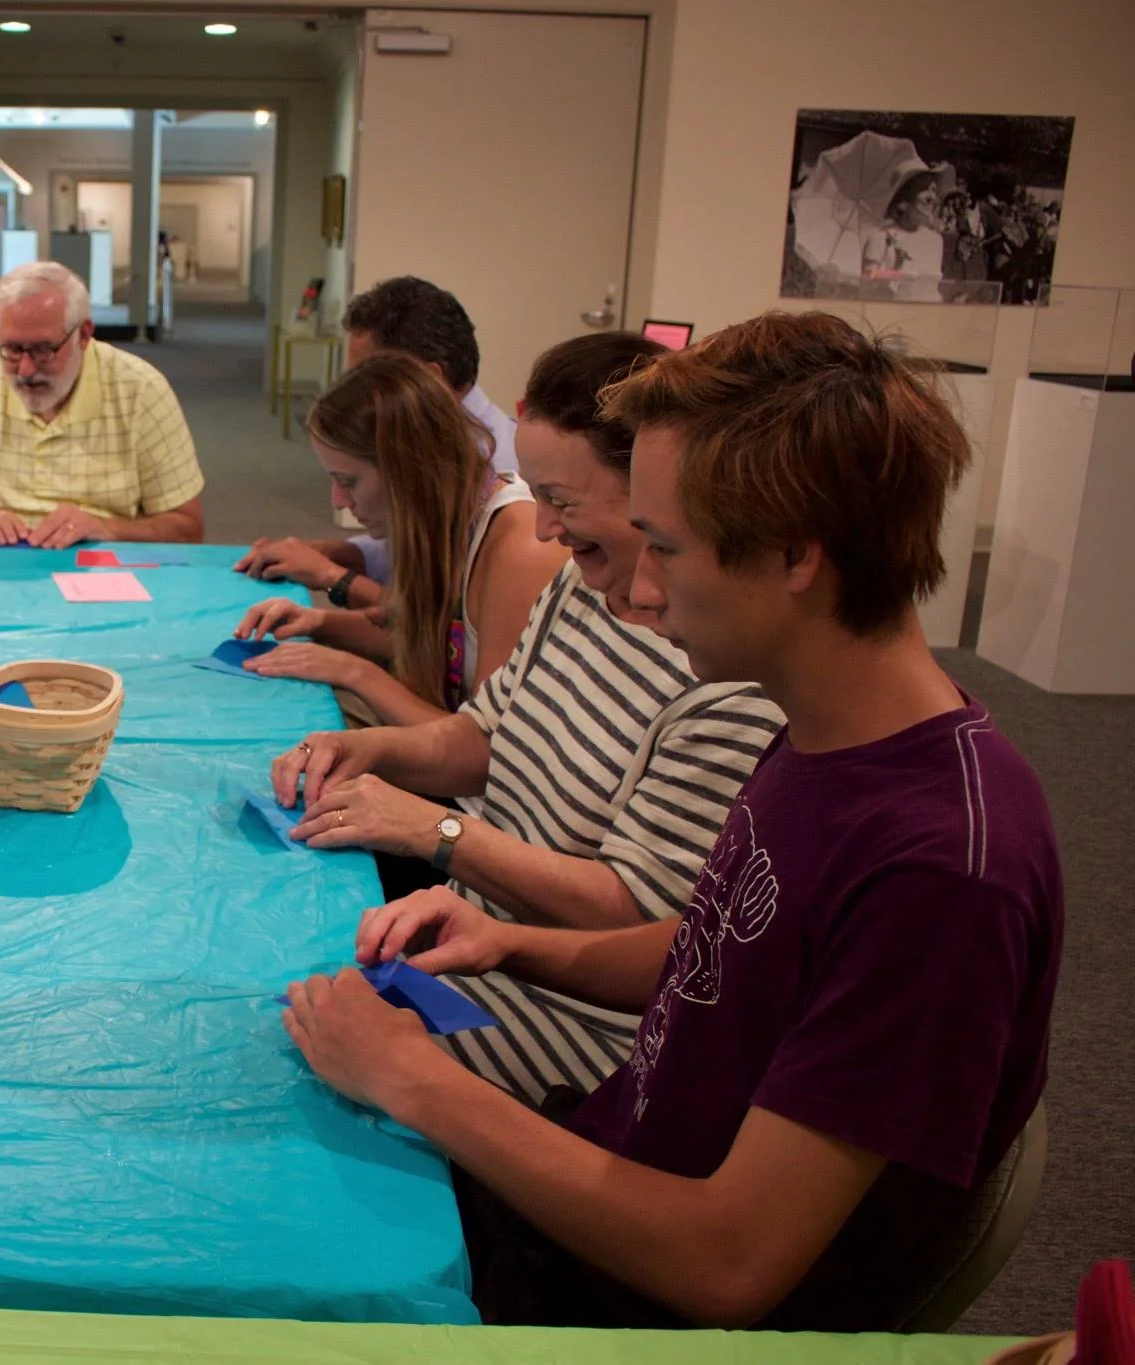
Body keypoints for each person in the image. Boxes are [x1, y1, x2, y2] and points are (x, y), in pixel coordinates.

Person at [283, 312, 1062, 1330]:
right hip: (603, 1162)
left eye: (663, 547)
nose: (636, 590)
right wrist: (512, 947)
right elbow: (725, 953)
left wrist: (414, 1082)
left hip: (635, 1299)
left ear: (793, 554)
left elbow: (724, 1268)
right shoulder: (826, 732)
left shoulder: (938, 873)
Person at [271, 333, 782, 1102]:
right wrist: (362, 747)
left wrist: (434, 831)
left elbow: (635, 912)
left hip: (564, 1010)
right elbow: (482, 734)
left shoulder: (724, 671)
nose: (542, 529)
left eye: (562, 501)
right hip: (476, 943)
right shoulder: (580, 584)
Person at [231, 352, 564, 726]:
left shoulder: (518, 549)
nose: (338, 501)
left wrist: (354, 672)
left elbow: (485, 746)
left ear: (406, 472)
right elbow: (419, 636)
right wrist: (318, 623)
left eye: (348, 481)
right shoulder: (442, 521)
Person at [236, 275, 519, 605]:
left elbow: (446, 630)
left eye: (370, 378)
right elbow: (403, 554)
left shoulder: (494, 477)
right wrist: (325, 553)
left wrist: (333, 576)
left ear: (428, 382)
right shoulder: (438, 447)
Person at [0, 261, 205, 548]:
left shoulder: (141, 389)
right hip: (1, 566)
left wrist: (105, 528)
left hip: (106, 568)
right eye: (12, 349)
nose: (26, 370)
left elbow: (187, 528)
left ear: (84, 335)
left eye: (43, 349)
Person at [862, 169, 946, 302]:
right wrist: (897, 274)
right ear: (903, 202)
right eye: (924, 189)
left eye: (934, 190)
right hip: (892, 311)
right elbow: (868, 278)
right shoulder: (881, 238)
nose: (932, 197)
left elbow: (934, 285)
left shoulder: (936, 240)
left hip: (930, 314)